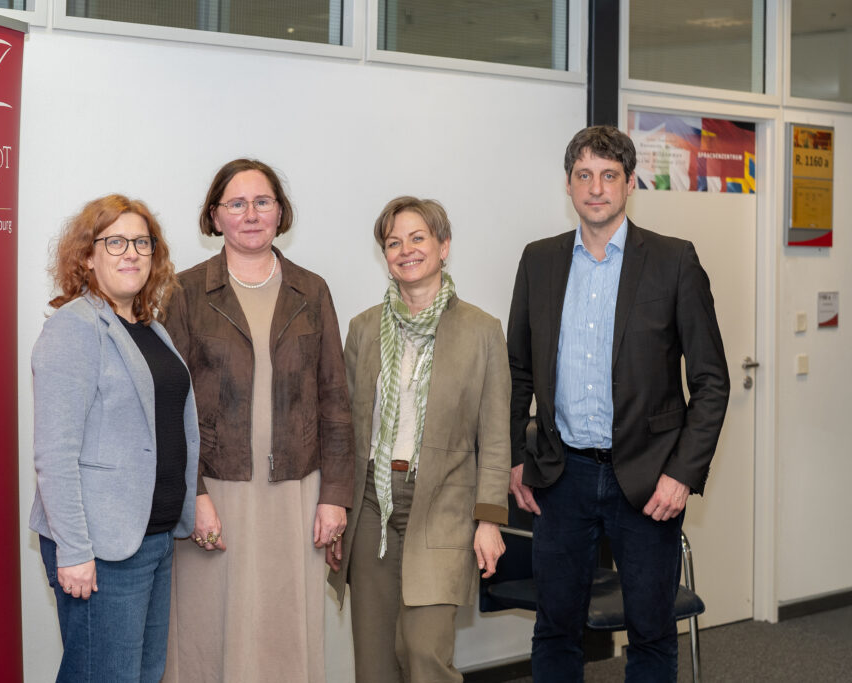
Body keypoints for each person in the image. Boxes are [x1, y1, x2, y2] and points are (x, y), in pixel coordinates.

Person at [507, 125, 730, 681]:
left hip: (649, 480)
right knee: (556, 629)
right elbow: (517, 371)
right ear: (568, 185)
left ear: (630, 183)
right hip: (561, 477)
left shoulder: (674, 261)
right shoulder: (539, 261)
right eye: (584, 175)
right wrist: (517, 457)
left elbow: (711, 381)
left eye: (609, 175)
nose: (596, 187)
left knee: (651, 634)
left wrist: (682, 473)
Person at [161, 159, 354, 683]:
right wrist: (192, 493)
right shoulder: (182, 294)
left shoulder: (311, 291)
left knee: (285, 628)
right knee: (208, 630)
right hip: (215, 494)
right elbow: (168, 406)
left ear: (280, 212)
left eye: (263, 202)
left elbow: (335, 398)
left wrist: (335, 495)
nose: (251, 214)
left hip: (297, 491)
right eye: (237, 204)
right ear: (215, 216)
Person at [329, 196, 511, 683]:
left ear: (443, 246)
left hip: (444, 504)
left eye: (418, 238)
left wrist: (489, 520)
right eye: (393, 242)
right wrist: (336, 507)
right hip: (371, 505)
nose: (406, 250)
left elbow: (495, 437)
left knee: (426, 653)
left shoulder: (482, 331)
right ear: (384, 254)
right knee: (374, 661)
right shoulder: (364, 329)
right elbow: (343, 430)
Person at [29, 194, 200, 683]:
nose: (131, 253)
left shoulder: (150, 329)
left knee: (144, 675)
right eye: (116, 241)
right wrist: (76, 551)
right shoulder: (74, 329)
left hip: (154, 536)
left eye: (142, 242)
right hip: (102, 547)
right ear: (88, 255)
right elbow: (54, 456)